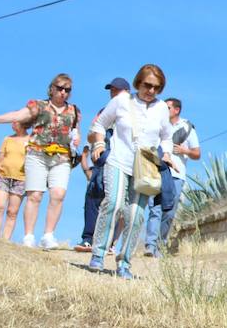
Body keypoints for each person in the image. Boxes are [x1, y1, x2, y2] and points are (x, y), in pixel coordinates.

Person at [87, 64, 175, 279]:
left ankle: (124, 262)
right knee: (114, 204)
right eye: (147, 85)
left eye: (156, 87)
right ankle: (98, 253)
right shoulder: (121, 101)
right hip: (119, 159)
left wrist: (167, 154)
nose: (151, 91)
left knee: (135, 216)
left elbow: (167, 136)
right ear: (138, 83)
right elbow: (99, 125)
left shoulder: (162, 108)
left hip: (145, 167)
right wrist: (98, 145)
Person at [0, 74, 82, 248]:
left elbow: (75, 130)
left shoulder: (74, 110)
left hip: (62, 157)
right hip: (37, 154)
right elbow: (19, 114)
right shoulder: (39, 105)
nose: (63, 92)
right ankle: (28, 236)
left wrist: (77, 137)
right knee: (35, 195)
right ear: (51, 89)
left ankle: (48, 235)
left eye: (67, 90)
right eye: (59, 88)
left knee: (58, 194)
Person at [77, 77, 129, 252]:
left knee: (119, 203)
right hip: (102, 160)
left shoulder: (134, 111)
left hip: (124, 161)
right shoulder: (104, 111)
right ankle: (88, 239)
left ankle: (110, 243)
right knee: (93, 198)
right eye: (111, 90)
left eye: (117, 90)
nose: (113, 93)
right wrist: (97, 141)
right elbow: (91, 134)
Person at [144, 97, 200, 257]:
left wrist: (185, 151)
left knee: (168, 212)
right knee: (154, 208)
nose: (164, 110)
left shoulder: (187, 128)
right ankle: (150, 245)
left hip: (176, 175)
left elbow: (197, 153)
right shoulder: (157, 125)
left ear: (176, 110)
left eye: (167, 108)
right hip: (157, 171)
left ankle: (160, 246)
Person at [0, 120, 29, 238]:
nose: (12, 124)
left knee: (12, 212)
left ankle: (5, 239)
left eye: (15, 122)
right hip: (3, 177)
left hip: (21, 179)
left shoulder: (32, 140)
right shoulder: (7, 139)